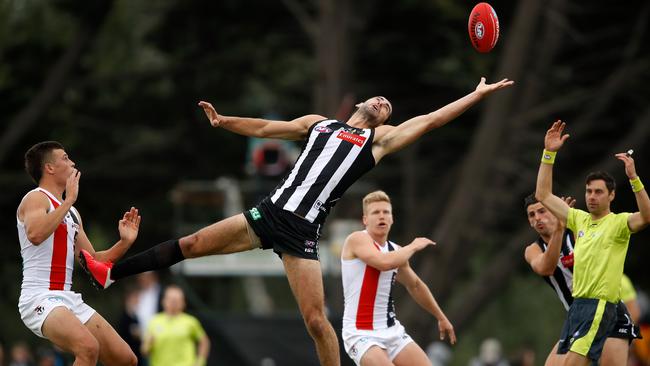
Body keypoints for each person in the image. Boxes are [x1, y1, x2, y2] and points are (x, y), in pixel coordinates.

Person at [80, 77, 513, 366]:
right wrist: (224, 121)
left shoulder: (377, 140)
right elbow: (268, 128)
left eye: (388, 107)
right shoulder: (318, 124)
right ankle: (109, 272)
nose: (383, 104)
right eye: (379, 99)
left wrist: (475, 95)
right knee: (191, 244)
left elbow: (432, 119)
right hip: (268, 214)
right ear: (362, 102)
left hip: (302, 233)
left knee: (316, 322)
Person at [534, 120, 650, 366]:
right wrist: (549, 154)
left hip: (599, 305)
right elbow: (542, 195)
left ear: (611, 195)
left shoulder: (619, 223)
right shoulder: (579, 219)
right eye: (588, 191)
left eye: (598, 192)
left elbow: (646, 217)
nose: (592, 197)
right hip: (579, 307)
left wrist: (634, 179)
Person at [17, 141, 140, 366]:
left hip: (66, 298)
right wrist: (69, 200)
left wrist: (125, 242)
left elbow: (94, 261)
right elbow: (35, 234)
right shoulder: (36, 197)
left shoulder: (72, 213)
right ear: (49, 168)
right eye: (65, 158)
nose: (72, 162)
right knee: (88, 347)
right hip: (39, 297)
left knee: (126, 359)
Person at [523, 194, 641, 365]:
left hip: (607, 313)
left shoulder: (578, 232)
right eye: (532, 215)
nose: (538, 218)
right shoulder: (532, 250)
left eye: (542, 211)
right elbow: (546, 268)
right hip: (577, 318)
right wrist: (558, 230)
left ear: (554, 210)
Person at [340, 190, 455, 365]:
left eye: (386, 212)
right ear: (365, 220)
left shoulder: (396, 251)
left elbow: (415, 285)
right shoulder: (356, 239)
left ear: (392, 218)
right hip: (360, 333)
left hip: (391, 331)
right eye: (375, 212)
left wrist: (440, 316)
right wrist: (414, 246)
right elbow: (383, 263)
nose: (381, 216)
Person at [142, 285, 210, 366]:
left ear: (183, 303)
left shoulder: (190, 321)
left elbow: (204, 341)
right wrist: (148, 345)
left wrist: (200, 362)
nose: (173, 302)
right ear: (163, 301)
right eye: (170, 299)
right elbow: (144, 350)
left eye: (177, 300)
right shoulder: (154, 321)